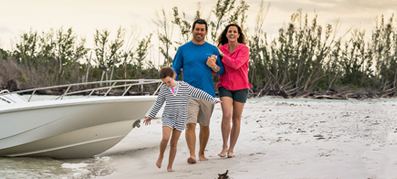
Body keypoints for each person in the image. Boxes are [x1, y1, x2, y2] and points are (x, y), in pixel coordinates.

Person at [143, 67, 221, 172]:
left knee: (174, 142)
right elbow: (158, 103)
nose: (167, 84)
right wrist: (150, 116)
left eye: (168, 82)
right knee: (165, 138)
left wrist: (213, 100)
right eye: (165, 83)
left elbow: (199, 92)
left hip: (181, 118)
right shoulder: (164, 89)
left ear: (173, 76)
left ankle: (170, 166)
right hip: (168, 116)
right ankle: (161, 155)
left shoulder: (185, 86)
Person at [172, 19, 225, 164]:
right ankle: (192, 155)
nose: (199, 32)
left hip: (208, 93)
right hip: (188, 93)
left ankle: (202, 153)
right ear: (192, 30)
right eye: (197, 29)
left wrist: (213, 66)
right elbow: (175, 69)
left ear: (206, 32)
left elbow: (221, 70)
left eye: (202, 30)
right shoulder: (183, 49)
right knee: (190, 124)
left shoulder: (213, 49)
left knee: (205, 125)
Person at [211, 24, 251, 158]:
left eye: (235, 31)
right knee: (227, 115)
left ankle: (231, 149)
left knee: (236, 118)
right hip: (225, 85)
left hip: (241, 86)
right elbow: (215, 69)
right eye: (230, 31)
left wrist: (222, 55)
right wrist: (213, 64)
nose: (232, 33)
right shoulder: (220, 49)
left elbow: (236, 64)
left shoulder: (244, 49)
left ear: (239, 35)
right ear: (226, 34)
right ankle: (224, 146)